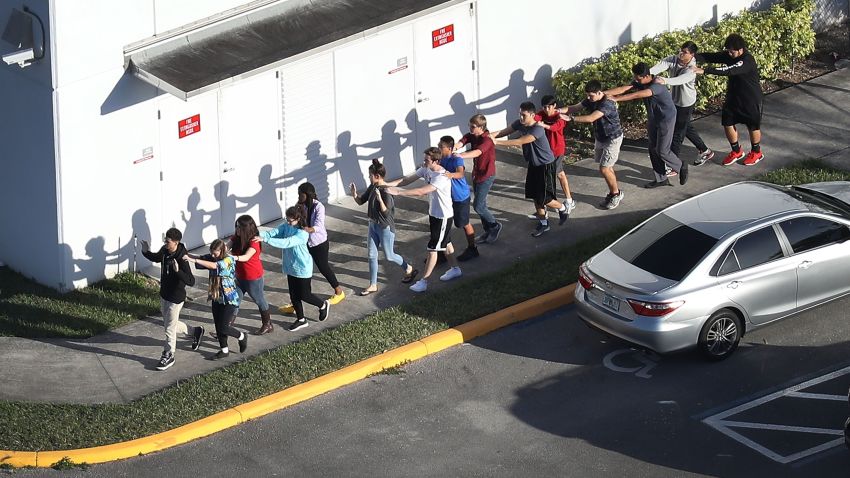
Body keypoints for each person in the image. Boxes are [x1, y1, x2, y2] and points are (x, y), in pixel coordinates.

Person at [386, 147, 462, 293]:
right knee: (446, 243)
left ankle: (424, 281)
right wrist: (388, 184)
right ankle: (455, 269)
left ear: (436, 161)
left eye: (426, 160)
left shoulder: (442, 176)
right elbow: (406, 179)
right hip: (434, 214)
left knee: (433, 248)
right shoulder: (426, 169)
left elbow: (421, 192)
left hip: (443, 217)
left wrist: (398, 193)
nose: (424, 162)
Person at [491, 101, 571, 237]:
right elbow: (504, 131)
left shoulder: (537, 128)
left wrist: (497, 142)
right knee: (535, 196)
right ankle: (544, 224)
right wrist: (488, 137)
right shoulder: (519, 123)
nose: (521, 117)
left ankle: (563, 208)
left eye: (524, 115)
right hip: (534, 165)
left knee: (545, 198)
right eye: (520, 114)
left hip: (546, 165)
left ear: (532, 115)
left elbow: (520, 141)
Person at [607, 62, 686, 188]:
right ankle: (661, 179)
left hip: (666, 119)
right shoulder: (640, 81)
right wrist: (603, 94)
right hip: (653, 118)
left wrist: (617, 99)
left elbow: (637, 95)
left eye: (638, 78)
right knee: (652, 149)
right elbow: (624, 88)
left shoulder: (657, 85)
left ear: (646, 76)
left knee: (662, 150)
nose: (635, 80)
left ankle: (680, 166)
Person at [349, 158, 419, 295]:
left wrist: (380, 200)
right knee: (371, 255)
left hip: (385, 228)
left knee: (390, 256)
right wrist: (354, 194)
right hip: (373, 225)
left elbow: (387, 214)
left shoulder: (387, 191)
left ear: (377, 176)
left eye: (369, 175)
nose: (368, 177)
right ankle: (373, 285)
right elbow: (360, 201)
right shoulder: (373, 187)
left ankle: (408, 268)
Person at [694, 33, 764, 166]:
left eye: (732, 51)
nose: (729, 53)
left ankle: (756, 152)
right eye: (728, 50)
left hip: (751, 98)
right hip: (734, 97)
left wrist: (705, 71)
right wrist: (692, 56)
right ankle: (736, 151)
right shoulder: (728, 55)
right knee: (727, 122)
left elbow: (729, 70)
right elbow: (711, 56)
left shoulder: (747, 60)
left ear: (740, 49)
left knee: (753, 126)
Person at [140, 227, 203, 371]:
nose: (165, 243)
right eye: (165, 240)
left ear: (176, 242)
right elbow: (156, 257)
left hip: (176, 298)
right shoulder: (165, 251)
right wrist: (145, 251)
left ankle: (169, 355)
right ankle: (195, 331)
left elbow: (191, 281)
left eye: (168, 241)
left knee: (169, 328)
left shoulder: (182, 258)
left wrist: (177, 271)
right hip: (164, 294)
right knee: (170, 324)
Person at [260, 206, 330, 331]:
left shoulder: (302, 233)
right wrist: (256, 233)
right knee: (294, 295)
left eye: (290, 220)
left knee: (305, 294)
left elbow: (287, 242)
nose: (288, 222)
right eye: (287, 219)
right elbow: (273, 233)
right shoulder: (287, 225)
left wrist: (265, 239)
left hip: (302, 268)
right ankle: (301, 319)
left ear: (298, 219)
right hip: (290, 266)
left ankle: (322, 304)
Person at [279, 182, 345, 314]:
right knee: (303, 271)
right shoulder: (300, 205)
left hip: (319, 243)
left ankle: (339, 291)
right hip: (305, 243)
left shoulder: (318, 206)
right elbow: (296, 218)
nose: (298, 196)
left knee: (323, 267)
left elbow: (319, 225)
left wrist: (307, 229)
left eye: (300, 194)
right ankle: (297, 301)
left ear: (307, 194)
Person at [559, 80, 625, 210]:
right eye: (587, 95)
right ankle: (615, 190)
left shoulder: (607, 104)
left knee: (604, 168)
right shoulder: (591, 100)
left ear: (599, 92)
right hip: (601, 138)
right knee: (607, 167)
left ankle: (615, 194)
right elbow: (574, 107)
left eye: (591, 95)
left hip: (612, 139)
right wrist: (558, 111)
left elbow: (591, 118)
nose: (588, 98)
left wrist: (570, 118)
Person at [650, 41, 715, 166]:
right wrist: (647, 74)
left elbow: (680, 80)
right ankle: (705, 150)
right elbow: (659, 66)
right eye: (681, 50)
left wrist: (664, 80)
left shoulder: (692, 69)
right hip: (675, 101)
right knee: (685, 127)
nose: (681, 54)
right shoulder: (673, 60)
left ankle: (673, 164)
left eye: (685, 52)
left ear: (692, 55)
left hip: (686, 104)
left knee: (677, 133)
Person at [186, 240, 248, 359]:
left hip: (229, 298)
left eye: (215, 254)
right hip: (216, 296)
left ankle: (242, 336)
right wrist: (186, 255)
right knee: (218, 325)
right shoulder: (214, 257)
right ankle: (224, 350)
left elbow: (215, 266)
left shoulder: (228, 260)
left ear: (222, 251)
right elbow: (201, 258)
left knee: (224, 327)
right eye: (212, 254)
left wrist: (193, 260)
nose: (213, 256)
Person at [455, 114, 501, 244]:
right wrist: (455, 147)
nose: (470, 128)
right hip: (477, 174)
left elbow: (477, 152)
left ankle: (495, 225)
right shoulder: (473, 135)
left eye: (473, 126)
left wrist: (460, 155)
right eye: (469, 125)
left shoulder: (487, 140)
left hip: (486, 176)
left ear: (481, 127)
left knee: (478, 206)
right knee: (482, 205)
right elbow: (464, 139)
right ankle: (488, 230)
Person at [230, 215, 273, 335]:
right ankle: (227, 327)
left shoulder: (254, 241)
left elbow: (246, 257)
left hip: (253, 278)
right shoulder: (236, 238)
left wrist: (232, 257)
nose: (236, 229)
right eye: (236, 226)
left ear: (246, 229)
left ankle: (267, 324)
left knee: (259, 300)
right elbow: (226, 246)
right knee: (235, 301)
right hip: (240, 276)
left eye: (239, 227)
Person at [438, 135, 479, 262]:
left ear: (449, 148)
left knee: (464, 223)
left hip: (460, 197)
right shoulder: (441, 159)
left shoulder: (457, 159)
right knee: (444, 224)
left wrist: (450, 175)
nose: (439, 148)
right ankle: (442, 252)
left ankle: (472, 248)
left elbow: (460, 173)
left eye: (441, 147)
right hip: (447, 198)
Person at [535, 95, 576, 215]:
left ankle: (563, 202)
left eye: (549, 107)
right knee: (559, 175)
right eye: (545, 107)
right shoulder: (541, 114)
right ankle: (566, 201)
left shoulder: (560, 117)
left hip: (557, 150)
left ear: (554, 106)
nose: (547, 109)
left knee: (555, 175)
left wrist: (543, 125)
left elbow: (554, 127)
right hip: (546, 152)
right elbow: (534, 119)